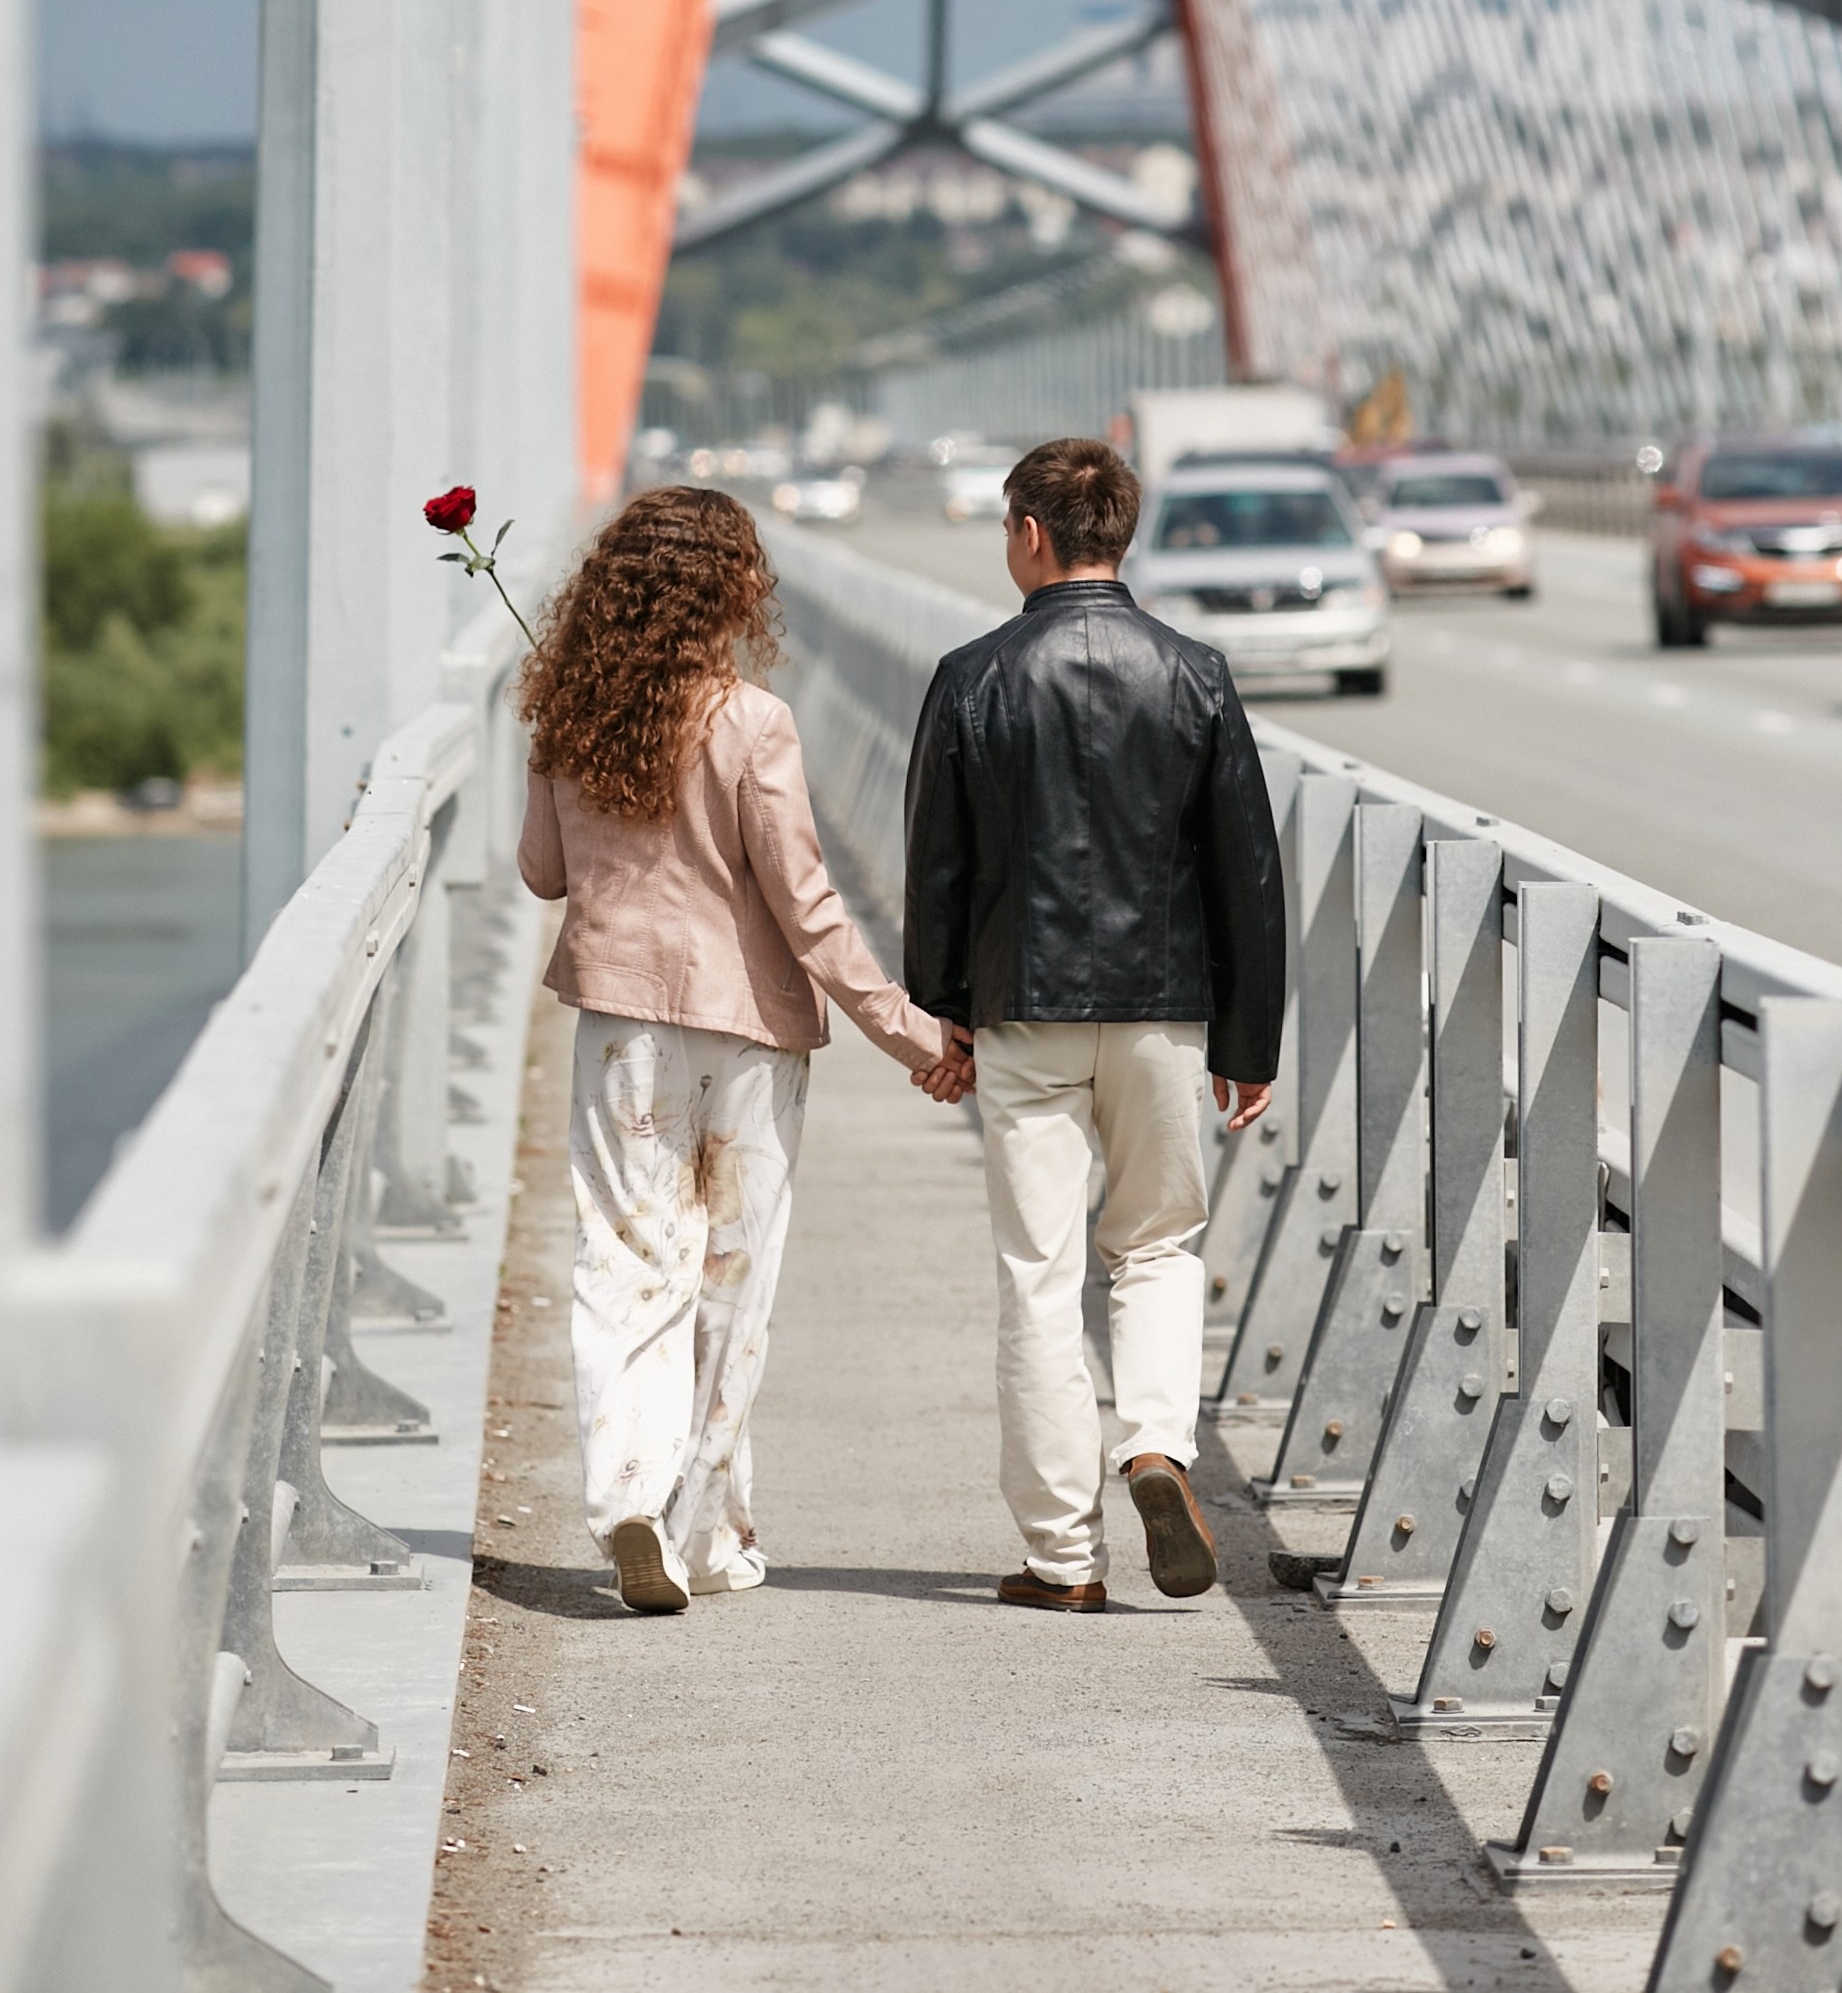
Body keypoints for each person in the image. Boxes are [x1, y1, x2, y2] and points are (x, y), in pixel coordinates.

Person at [517, 485, 970, 1615]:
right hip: (751, 1032)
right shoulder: (752, 721)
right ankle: (694, 1532)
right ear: (730, 589)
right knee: (730, 1281)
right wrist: (911, 1033)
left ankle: (631, 1498)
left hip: (622, 1025)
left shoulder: (567, 715)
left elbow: (542, 873)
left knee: (628, 1263)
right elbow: (807, 905)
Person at [903, 435, 1286, 1612]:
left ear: (1028, 533)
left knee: (1038, 1272)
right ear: (1122, 531)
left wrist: (946, 1015)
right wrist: (1249, 1040)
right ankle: (1157, 1446)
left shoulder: (973, 675)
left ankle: (1063, 1559)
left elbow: (939, 866)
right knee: (1158, 1248)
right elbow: (1245, 868)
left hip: (1024, 1010)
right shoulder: (1194, 672)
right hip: (1166, 1008)